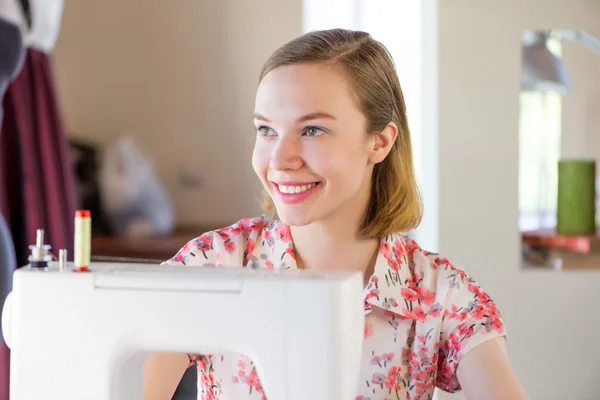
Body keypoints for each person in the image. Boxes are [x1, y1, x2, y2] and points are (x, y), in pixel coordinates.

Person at [144, 28, 528, 400]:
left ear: (379, 142)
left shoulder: (443, 296)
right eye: (266, 130)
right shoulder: (214, 265)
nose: (279, 160)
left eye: (312, 130)